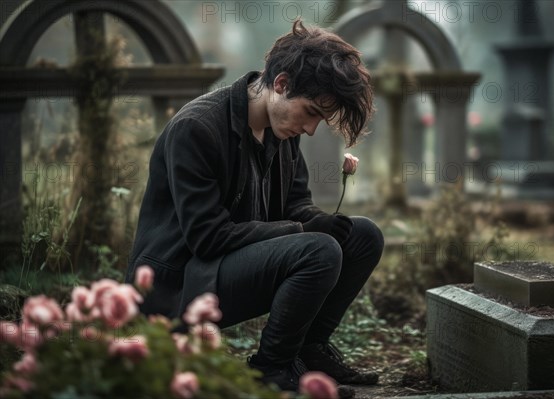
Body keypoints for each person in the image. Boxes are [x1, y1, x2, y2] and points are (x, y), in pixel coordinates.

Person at [126, 19, 384, 397]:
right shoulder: (197, 128)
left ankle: (308, 353)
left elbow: (296, 205)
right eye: (311, 112)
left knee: (363, 237)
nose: (312, 128)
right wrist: (304, 232)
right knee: (319, 249)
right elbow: (207, 238)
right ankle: (273, 370)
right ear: (281, 84)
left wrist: (320, 221)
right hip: (178, 285)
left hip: (226, 269)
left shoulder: (282, 130)